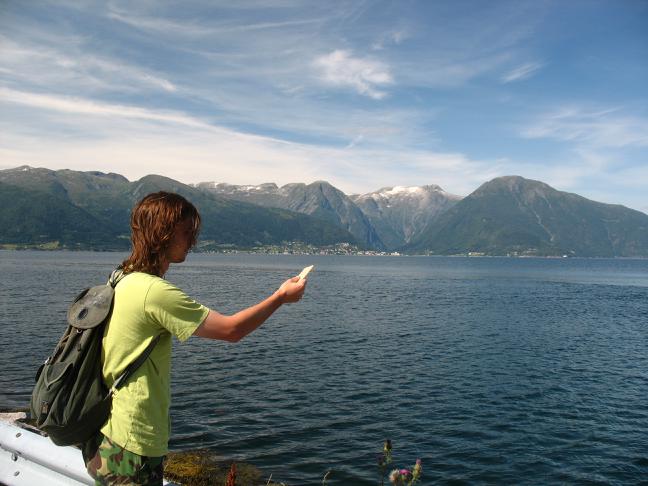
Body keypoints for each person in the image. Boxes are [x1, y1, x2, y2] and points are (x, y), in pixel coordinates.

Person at [84, 191, 307, 485]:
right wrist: (280, 297)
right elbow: (231, 330)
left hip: (107, 433)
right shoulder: (154, 292)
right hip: (133, 443)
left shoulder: (121, 278)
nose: (193, 241)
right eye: (187, 232)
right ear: (163, 233)